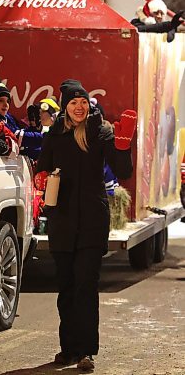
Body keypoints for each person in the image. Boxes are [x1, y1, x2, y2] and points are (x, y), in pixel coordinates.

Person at [36, 79, 135, 371]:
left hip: (92, 219)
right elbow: (43, 165)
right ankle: (68, 350)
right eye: (73, 102)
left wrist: (123, 144)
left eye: (83, 102)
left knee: (85, 286)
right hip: (63, 220)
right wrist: (42, 178)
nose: (79, 107)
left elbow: (123, 171)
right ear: (65, 106)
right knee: (66, 286)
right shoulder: (55, 134)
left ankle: (86, 352)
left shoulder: (100, 132)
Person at [0, 64, 43, 160]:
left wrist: (35, 127)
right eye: (1, 100)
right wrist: (48, 138)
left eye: (8, 101)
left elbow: (18, 140)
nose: (6, 105)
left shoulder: (8, 118)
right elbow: (20, 138)